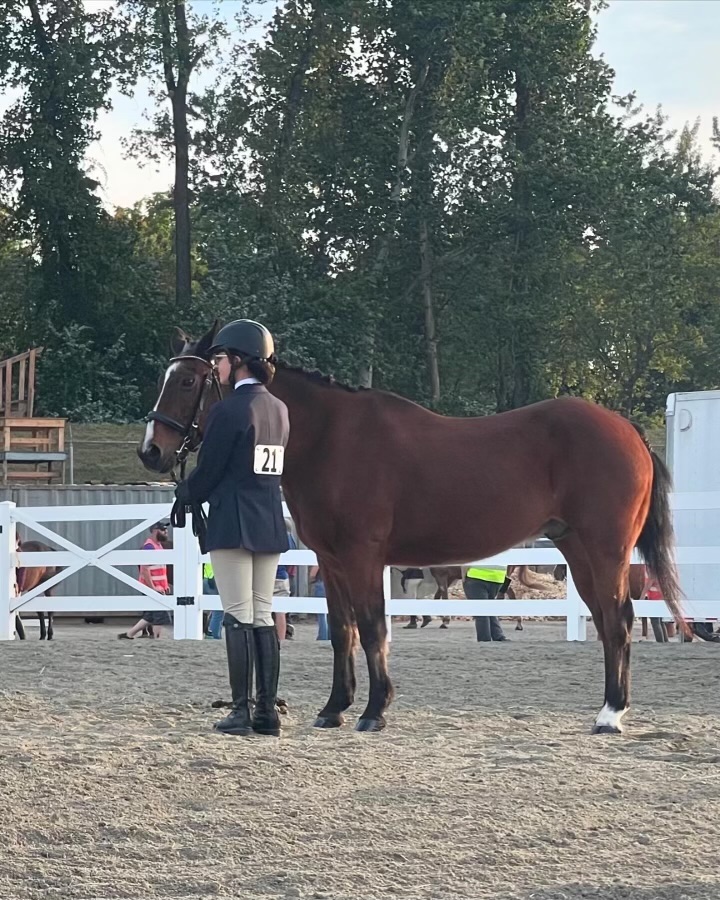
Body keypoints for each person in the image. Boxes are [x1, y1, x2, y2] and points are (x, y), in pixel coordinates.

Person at [174, 319, 290, 738]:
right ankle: (267, 712)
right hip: (268, 520)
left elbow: (211, 470)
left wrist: (186, 491)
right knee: (262, 613)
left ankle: (240, 711)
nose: (217, 366)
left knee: (237, 614)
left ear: (238, 361)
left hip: (233, 522)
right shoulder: (279, 409)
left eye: (220, 358)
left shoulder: (228, 410)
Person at [119, 522, 173, 639]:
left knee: (150, 616)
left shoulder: (159, 546)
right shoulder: (149, 547)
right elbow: (145, 570)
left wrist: (165, 584)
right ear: (155, 530)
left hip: (158, 586)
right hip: (152, 587)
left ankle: (129, 634)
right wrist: (152, 588)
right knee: (160, 615)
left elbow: (161, 568)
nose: (166, 532)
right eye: (163, 529)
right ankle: (156, 638)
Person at [463, 564, 509, 642]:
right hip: (498, 578)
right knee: (489, 608)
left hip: (477, 576)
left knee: (481, 612)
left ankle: (484, 640)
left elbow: (466, 558)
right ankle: (498, 636)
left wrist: (463, 576)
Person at [273, 530, 296, 642]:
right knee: (281, 612)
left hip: (267, 574)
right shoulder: (291, 539)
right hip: (282, 575)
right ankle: (281, 639)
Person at [310, 564, 330, 640]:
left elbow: (316, 565)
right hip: (332, 582)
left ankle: (323, 635)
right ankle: (329, 635)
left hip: (321, 581)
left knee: (321, 613)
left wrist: (311, 576)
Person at [204, 561, 223, 639]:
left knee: (211, 611)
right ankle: (214, 634)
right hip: (215, 579)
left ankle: (210, 632)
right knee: (218, 611)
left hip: (207, 578)